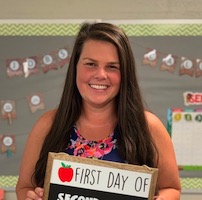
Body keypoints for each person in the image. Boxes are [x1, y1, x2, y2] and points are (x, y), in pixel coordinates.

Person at [16, 22, 181, 200]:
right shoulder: (47, 125)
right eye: (91, 64)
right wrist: (31, 197)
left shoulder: (149, 126)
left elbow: (172, 188)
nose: (101, 75)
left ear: (125, 73)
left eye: (112, 66)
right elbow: (24, 187)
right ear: (75, 67)